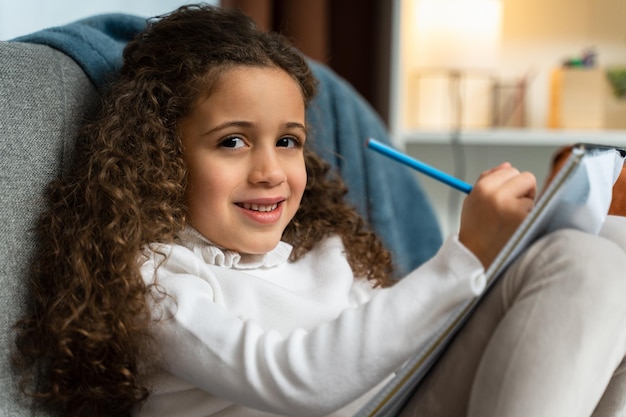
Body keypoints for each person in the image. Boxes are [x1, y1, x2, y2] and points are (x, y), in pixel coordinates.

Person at [13, 4, 626, 417]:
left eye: (288, 141)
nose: (269, 170)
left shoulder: (324, 254)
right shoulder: (157, 280)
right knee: (575, 265)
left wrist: (510, 251)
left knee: (599, 256)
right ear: (159, 158)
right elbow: (297, 378)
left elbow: (407, 347)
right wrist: (464, 256)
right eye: (232, 141)